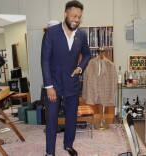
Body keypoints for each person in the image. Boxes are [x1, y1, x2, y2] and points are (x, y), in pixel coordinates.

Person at [41, 1, 91, 156]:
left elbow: (87, 54)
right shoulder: (51, 33)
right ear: (65, 14)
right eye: (74, 15)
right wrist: (49, 86)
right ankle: (50, 152)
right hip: (53, 84)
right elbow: (45, 60)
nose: (76, 19)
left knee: (71, 117)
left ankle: (68, 145)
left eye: (79, 17)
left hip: (72, 83)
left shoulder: (81, 35)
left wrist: (80, 67)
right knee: (51, 119)